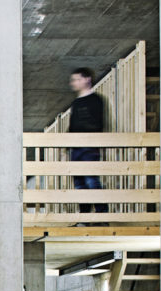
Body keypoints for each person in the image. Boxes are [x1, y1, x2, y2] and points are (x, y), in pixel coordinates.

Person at [68, 67, 108, 220]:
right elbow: (72, 126)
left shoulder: (95, 100)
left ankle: (101, 214)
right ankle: (84, 216)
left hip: (89, 145)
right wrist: (67, 145)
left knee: (91, 178)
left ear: (87, 79)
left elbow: (97, 124)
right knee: (79, 182)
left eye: (77, 79)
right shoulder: (76, 102)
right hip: (76, 146)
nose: (74, 83)